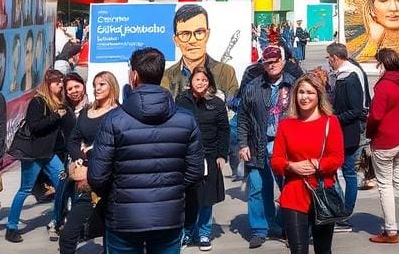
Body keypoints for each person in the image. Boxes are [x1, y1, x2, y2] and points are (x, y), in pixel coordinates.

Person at [88, 47, 203, 254]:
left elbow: (97, 177)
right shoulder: (186, 120)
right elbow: (194, 173)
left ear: (134, 76)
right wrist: (170, 189)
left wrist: (119, 194)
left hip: (124, 217)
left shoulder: (114, 120)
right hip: (168, 215)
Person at [271, 75, 345, 254]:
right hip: (294, 193)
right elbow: (276, 160)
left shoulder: (330, 122)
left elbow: (337, 157)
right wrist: (290, 166)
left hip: (323, 192)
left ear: (319, 95)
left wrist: (317, 164)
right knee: (297, 250)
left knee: (323, 249)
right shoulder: (286, 125)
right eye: (301, 92)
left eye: (310, 93)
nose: (305, 97)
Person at [237, 45, 298, 249]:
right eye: (268, 62)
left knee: (289, 189)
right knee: (257, 189)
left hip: (287, 147)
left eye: (275, 61)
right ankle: (259, 230)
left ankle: (285, 226)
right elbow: (243, 117)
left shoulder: (295, 84)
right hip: (257, 145)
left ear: (282, 61)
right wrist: (243, 143)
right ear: (263, 63)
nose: (272, 65)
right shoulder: (253, 86)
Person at [58, 71, 119, 254]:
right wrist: (81, 158)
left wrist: (92, 152)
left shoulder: (119, 113)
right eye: (94, 84)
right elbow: (73, 140)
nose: (96, 88)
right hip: (86, 183)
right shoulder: (86, 112)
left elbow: (118, 147)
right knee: (68, 235)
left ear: (112, 86)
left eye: (102, 84)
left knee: (111, 234)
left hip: (111, 183)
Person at [5, 69, 68, 242]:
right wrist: (55, 117)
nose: (60, 85)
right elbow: (34, 126)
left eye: (61, 82)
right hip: (33, 154)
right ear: (48, 84)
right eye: (56, 82)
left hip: (49, 153)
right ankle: (11, 226)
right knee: (25, 189)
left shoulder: (59, 101)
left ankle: (56, 221)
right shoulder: (38, 101)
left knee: (62, 183)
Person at [366, 48, 399, 244]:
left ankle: (390, 230)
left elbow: (376, 115)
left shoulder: (385, 86)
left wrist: (369, 133)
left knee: (385, 185)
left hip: (386, 140)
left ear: (383, 64)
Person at [176, 67, 229, 251]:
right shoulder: (181, 101)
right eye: (197, 79)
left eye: (204, 80)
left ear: (209, 83)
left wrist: (222, 155)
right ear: (191, 81)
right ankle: (187, 232)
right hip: (187, 156)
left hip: (210, 156)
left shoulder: (217, 103)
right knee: (188, 197)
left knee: (207, 198)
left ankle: (204, 233)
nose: (201, 83)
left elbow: (224, 130)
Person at [326, 43, 369, 231]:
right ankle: (340, 211)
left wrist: (335, 119)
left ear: (335, 57)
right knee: (339, 172)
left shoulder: (349, 78)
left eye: (329, 58)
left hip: (347, 133)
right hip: (342, 131)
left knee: (347, 173)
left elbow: (356, 109)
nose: (328, 62)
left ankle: (344, 213)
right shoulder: (342, 76)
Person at [161, 4, 239, 101]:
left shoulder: (225, 72)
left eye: (199, 33)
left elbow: (234, 108)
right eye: (185, 34)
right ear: (176, 40)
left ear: (207, 35)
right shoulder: (166, 77)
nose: (193, 40)